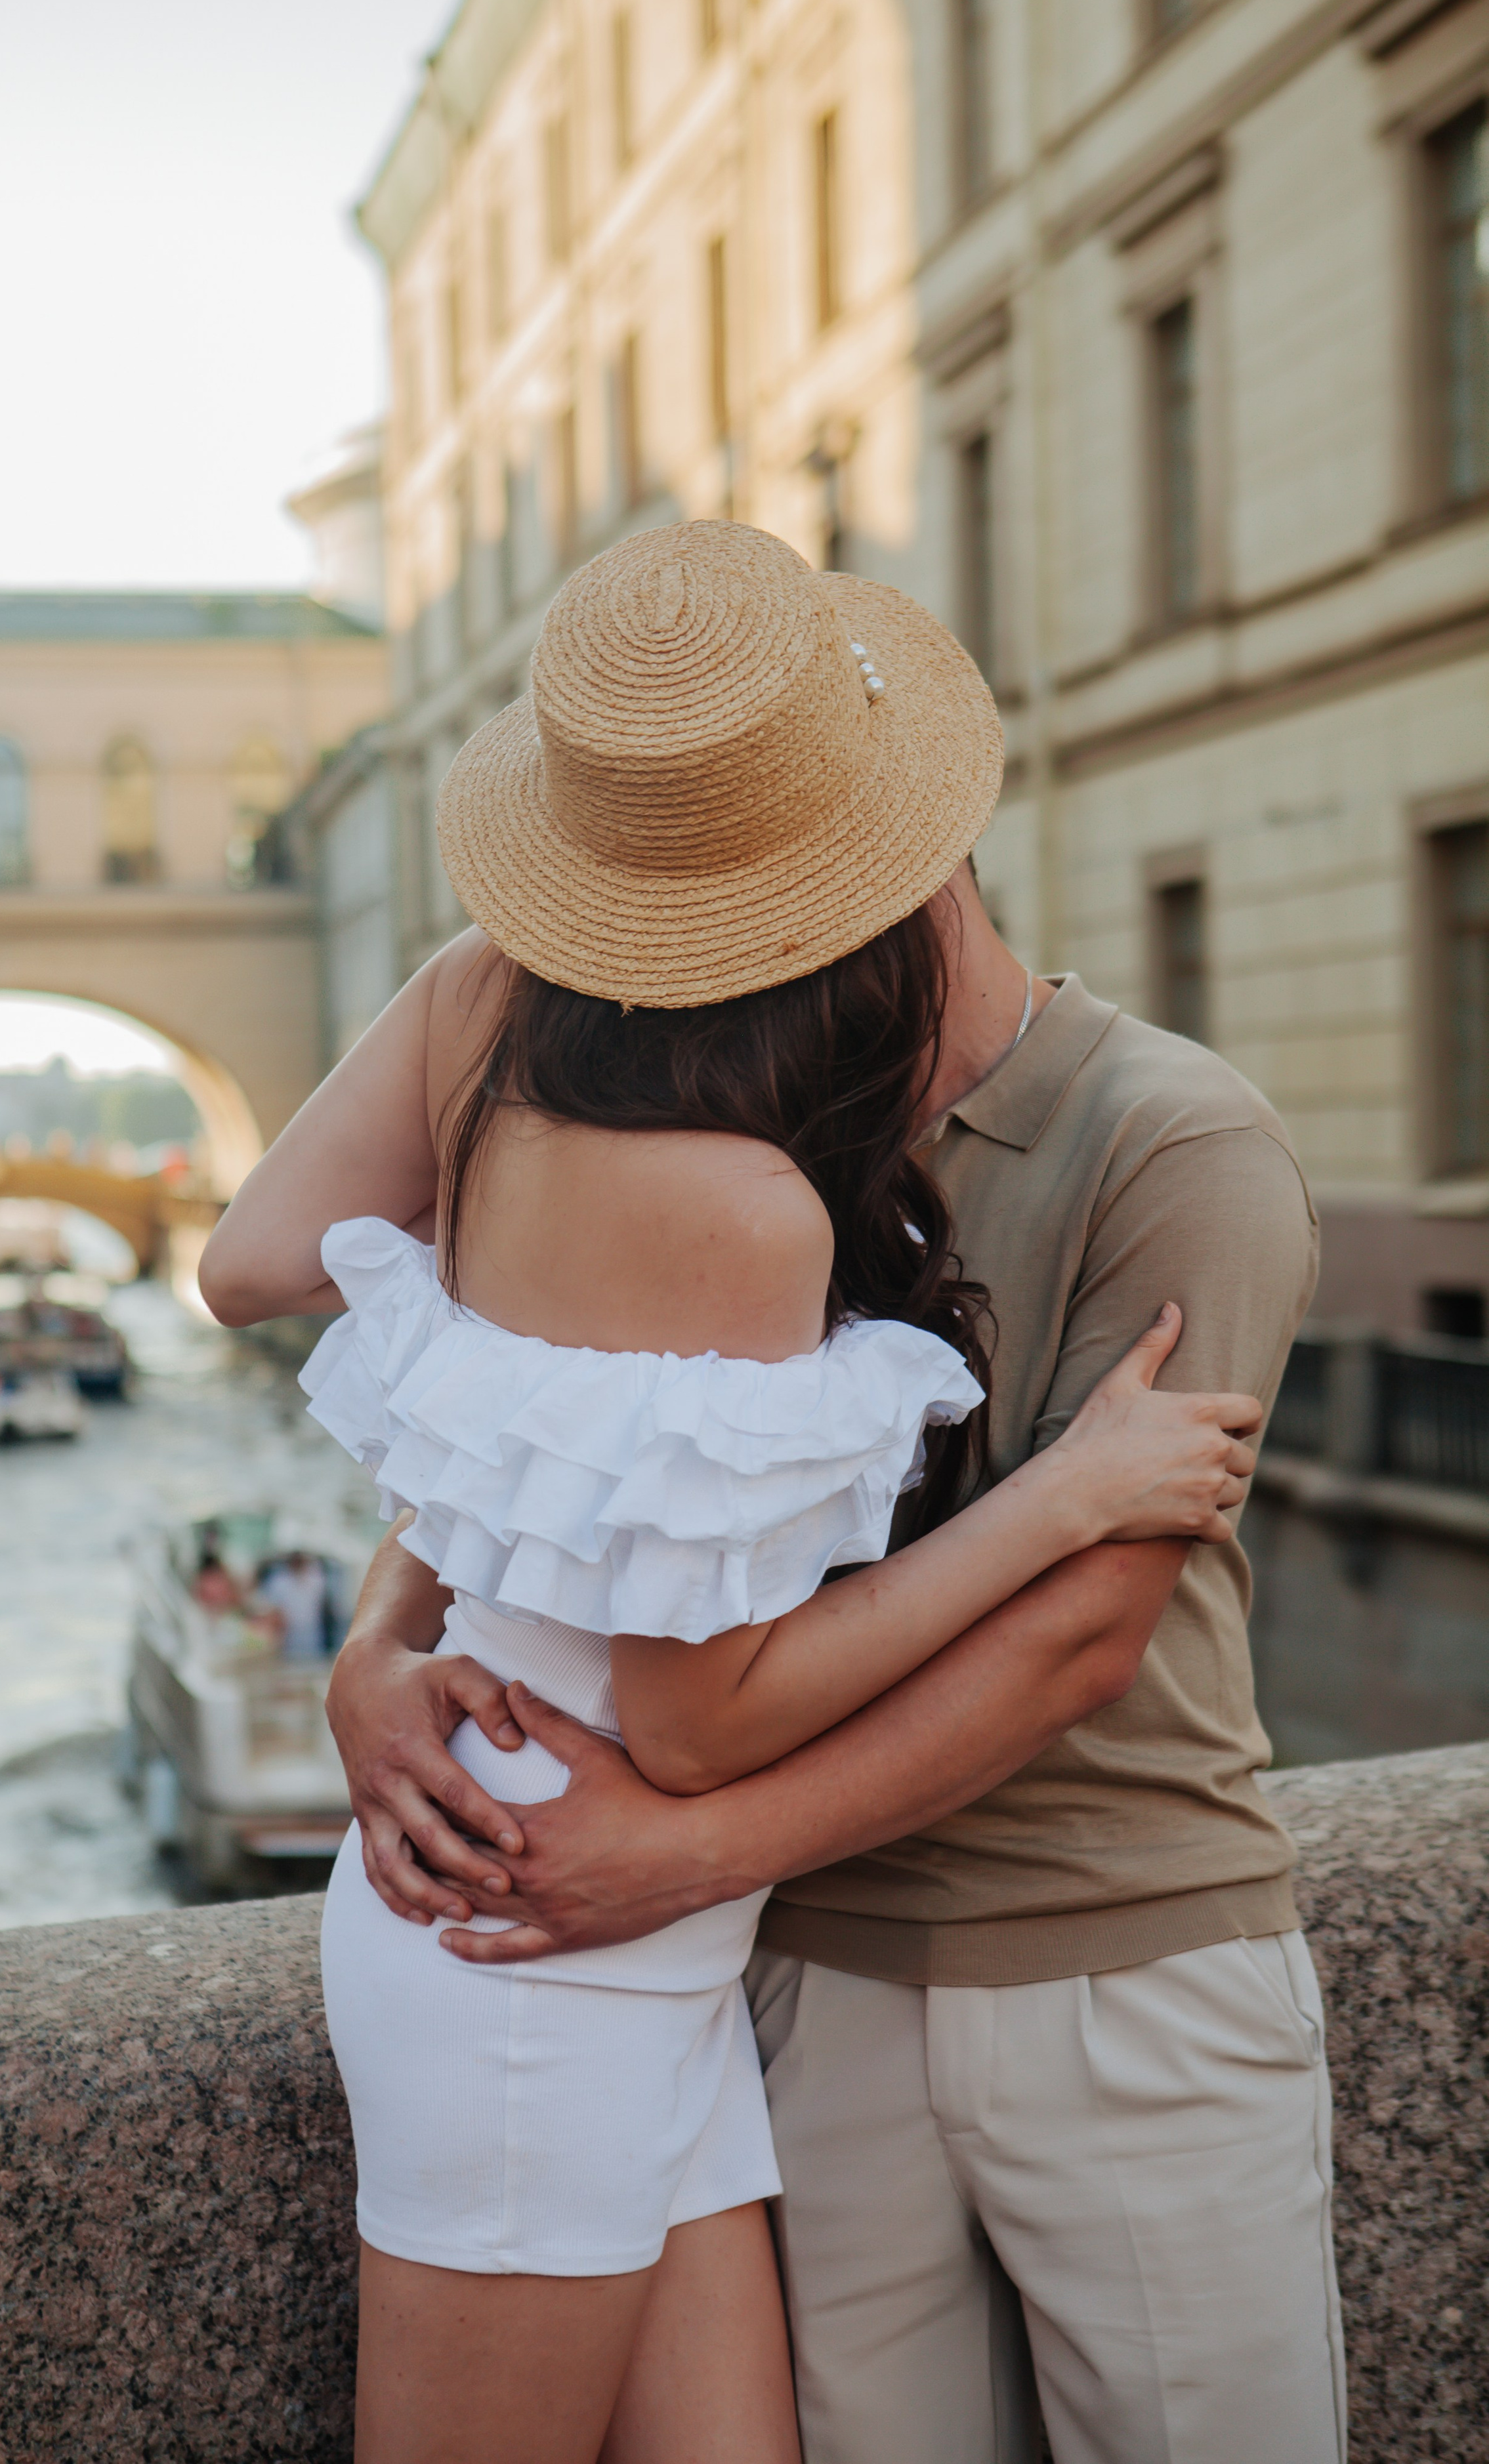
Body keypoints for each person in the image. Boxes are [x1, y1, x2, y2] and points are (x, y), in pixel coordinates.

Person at [201, 522, 1267, 2464]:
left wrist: (425, 1552)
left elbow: (254, 1265)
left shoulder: (480, 1011)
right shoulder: (743, 1206)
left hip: (571, 1919)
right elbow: (699, 1726)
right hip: (552, 1948)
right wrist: (1061, 1496)